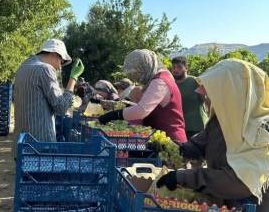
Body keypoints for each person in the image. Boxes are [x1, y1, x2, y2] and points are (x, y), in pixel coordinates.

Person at [155, 59, 269, 211]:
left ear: (233, 96)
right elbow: (198, 146)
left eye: (211, 96)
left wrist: (185, 177)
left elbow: (242, 182)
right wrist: (175, 148)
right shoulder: (220, 122)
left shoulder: (261, 130)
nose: (207, 101)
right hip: (227, 205)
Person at [12, 39, 84, 159]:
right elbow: (61, 108)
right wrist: (73, 78)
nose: (59, 68)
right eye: (60, 62)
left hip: (21, 147)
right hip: (40, 147)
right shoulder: (45, 69)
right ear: (54, 54)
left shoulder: (22, 67)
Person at [97, 49, 187, 142]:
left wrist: (111, 115)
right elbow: (142, 105)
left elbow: (141, 110)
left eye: (136, 72)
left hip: (170, 139)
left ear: (145, 66)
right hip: (158, 138)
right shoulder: (155, 80)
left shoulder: (160, 81)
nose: (135, 76)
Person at [171, 56, 208, 140]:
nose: (176, 70)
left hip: (198, 129)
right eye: (173, 67)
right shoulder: (171, 84)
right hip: (180, 129)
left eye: (179, 67)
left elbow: (207, 101)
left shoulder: (196, 82)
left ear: (186, 68)